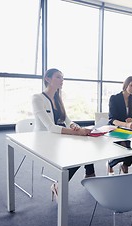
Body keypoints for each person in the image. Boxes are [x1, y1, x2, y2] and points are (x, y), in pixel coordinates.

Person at [32, 68, 95, 201]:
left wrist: (73, 125)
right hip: (44, 141)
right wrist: (77, 133)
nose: (62, 80)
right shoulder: (37, 98)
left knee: (87, 145)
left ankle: (90, 176)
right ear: (47, 79)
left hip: (58, 137)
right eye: (58, 77)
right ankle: (58, 185)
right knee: (77, 153)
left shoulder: (58, 98)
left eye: (62, 78)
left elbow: (66, 119)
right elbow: (51, 127)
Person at [107, 76, 132, 175]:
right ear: (126, 85)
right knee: (126, 149)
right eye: (131, 85)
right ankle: (111, 164)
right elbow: (112, 119)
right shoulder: (114, 98)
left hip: (129, 130)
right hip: (115, 128)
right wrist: (126, 124)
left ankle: (125, 165)